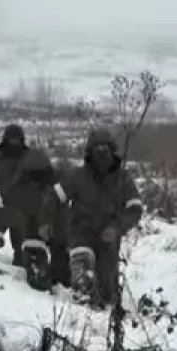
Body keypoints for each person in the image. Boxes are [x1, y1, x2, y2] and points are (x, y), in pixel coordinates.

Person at [41, 127, 143, 307]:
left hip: (108, 239)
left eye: (105, 149)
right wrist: (46, 221)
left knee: (106, 296)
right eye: (97, 149)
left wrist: (117, 228)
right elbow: (53, 197)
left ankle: (107, 294)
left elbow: (135, 209)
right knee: (83, 275)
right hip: (81, 234)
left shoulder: (123, 179)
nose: (102, 154)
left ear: (112, 150)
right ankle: (80, 293)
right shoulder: (78, 177)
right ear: (90, 152)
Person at [0, 124, 57, 289]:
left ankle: (21, 272)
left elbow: (46, 177)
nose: (14, 144)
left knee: (23, 254)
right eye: (11, 140)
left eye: (17, 141)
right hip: (0, 207)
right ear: (5, 140)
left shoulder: (30, 158)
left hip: (23, 210)